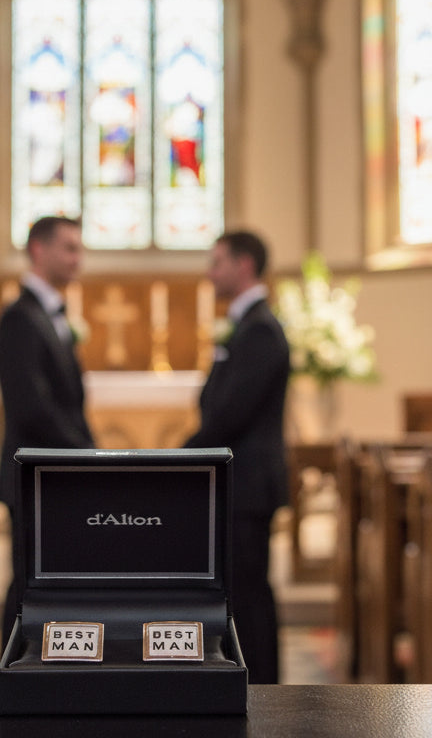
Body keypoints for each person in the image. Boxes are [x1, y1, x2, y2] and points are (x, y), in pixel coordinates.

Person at [183, 230, 290, 684]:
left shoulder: (261, 330)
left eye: (218, 262)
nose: (211, 272)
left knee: (250, 594)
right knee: (242, 592)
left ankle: (262, 687)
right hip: (239, 483)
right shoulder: (248, 326)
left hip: (247, 485)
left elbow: (230, 412)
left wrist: (181, 456)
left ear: (244, 265)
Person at [0, 215, 95, 652]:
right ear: (38, 249)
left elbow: (69, 402)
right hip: (34, 474)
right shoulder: (19, 318)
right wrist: (86, 456)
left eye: (79, 248)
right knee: (27, 583)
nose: (78, 259)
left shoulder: (48, 315)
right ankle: (13, 667)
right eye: (69, 248)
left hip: (55, 474)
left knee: (53, 580)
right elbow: (31, 407)